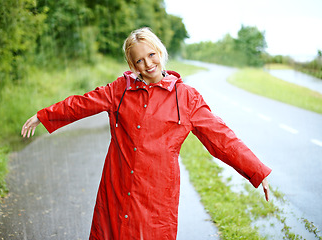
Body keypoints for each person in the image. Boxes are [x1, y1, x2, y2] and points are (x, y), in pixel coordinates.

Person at [21, 27, 271, 240]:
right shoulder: (119, 90)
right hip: (117, 189)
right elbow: (82, 103)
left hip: (156, 197)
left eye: (152, 55)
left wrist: (256, 170)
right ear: (132, 64)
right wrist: (44, 116)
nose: (148, 64)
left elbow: (222, 138)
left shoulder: (187, 98)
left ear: (160, 52)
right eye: (139, 60)